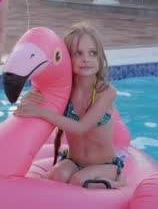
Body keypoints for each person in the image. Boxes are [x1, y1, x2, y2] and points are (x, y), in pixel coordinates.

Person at [14, 22, 125, 189]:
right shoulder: (64, 92)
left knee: (79, 181)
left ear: (100, 58)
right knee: (55, 176)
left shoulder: (106, 92)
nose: (86, 59)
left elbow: (81, 127)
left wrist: (40, 111)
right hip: (74, 161)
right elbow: (31, 108)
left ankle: (119, 183)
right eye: (78, 53)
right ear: (67, 58)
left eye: (92, 53)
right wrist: (29, 100)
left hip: (104, 165)